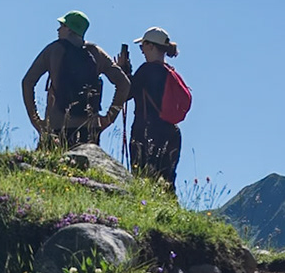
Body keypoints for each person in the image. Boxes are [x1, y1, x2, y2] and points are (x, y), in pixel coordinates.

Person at [21, 10, 130, 149]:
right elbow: (124, 84)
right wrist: (109, 118)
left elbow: (27, 82)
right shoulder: (96, 52)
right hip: (90, 129)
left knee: (51, 169)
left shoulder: (54, 50)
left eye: (62, 25)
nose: (58, 29)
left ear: (70, 29)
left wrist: (36, 121)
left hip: (56, 126)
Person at [117, 26, 182, 188]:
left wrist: (122, 71)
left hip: (146, 131)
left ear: (151, 46)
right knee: (166, 181)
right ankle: (168, 211)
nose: (142, 50)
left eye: (143, 46)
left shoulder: (147, 70)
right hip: (171, 133)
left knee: (142, 179)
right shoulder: (169, 71)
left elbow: (127, 93)